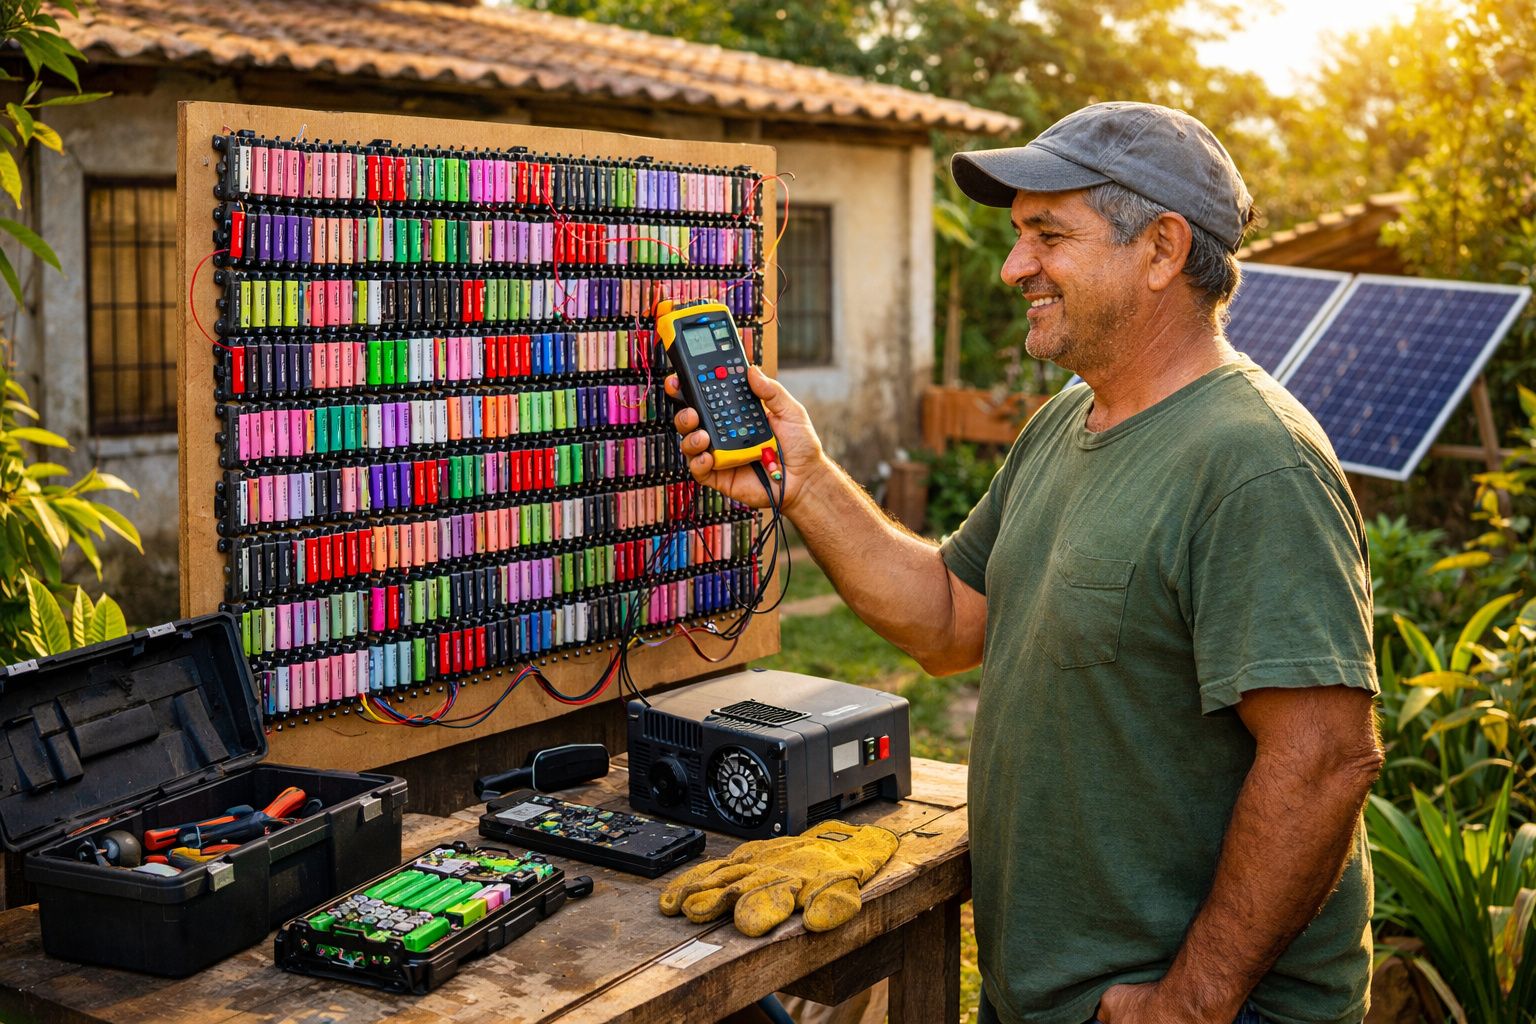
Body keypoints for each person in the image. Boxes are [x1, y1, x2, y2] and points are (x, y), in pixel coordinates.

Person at [667, 101, 1382, 1024]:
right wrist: (805, 483)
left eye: (1048, 235)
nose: (1014, 267)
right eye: (1018, 237)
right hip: (1058, 997)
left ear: (1162, 250)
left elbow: (1324, 759)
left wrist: (1192, 1001)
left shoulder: (1254, 462)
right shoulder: (1067, 421)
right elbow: (947, 620)